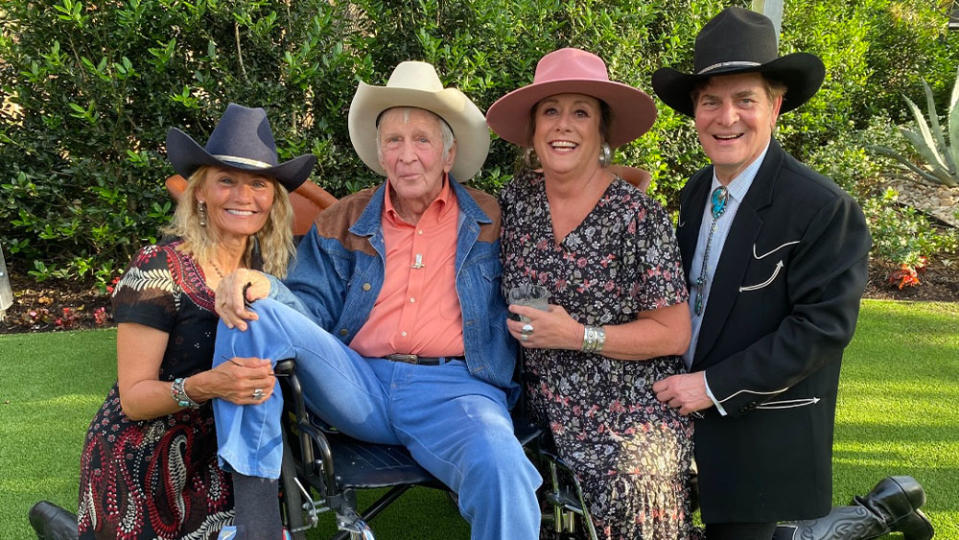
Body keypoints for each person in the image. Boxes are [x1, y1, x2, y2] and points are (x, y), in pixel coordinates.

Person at [210, 61, 542, 540]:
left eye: (422, 140)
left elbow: (540, 277)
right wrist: (266, 286)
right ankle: (257, 514)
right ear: (381, 154)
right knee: (254, 311)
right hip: (357, 383)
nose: (408, 155)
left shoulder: (493, 216)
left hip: (456, 391)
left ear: (448, 155)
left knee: (502, 465)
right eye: (394, 141)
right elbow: (309, 311)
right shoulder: (344, 218)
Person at [648, 7, 930, 540]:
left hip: (760, 425)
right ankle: (881, 510)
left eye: (745, 99)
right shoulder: (694, 191)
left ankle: (869, 517)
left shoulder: (823, 207)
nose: (725, 116)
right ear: (694, 111)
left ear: (775, 105)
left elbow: (821, 329)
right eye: (711, 100)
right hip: (682, 410)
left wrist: (711, 386)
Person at [75, 103, 316, 539]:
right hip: (143, 462)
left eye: (259, 184)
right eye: (227, 181)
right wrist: (209, 384)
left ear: (273, 200)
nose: (244, 197)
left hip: (229, 458)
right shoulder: (157, 269)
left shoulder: (272, 273)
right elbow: (133, 399)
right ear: (200, 192)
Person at [486, 47, 697, 539]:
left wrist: (579, 335)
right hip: (535, 396)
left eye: (580, 112)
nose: (564, 126)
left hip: (625, 400)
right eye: (551, 112)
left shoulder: (637, 216)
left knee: (627, 478)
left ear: (602, 130)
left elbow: (673, 333)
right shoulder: (514, 203)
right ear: (533, 129)